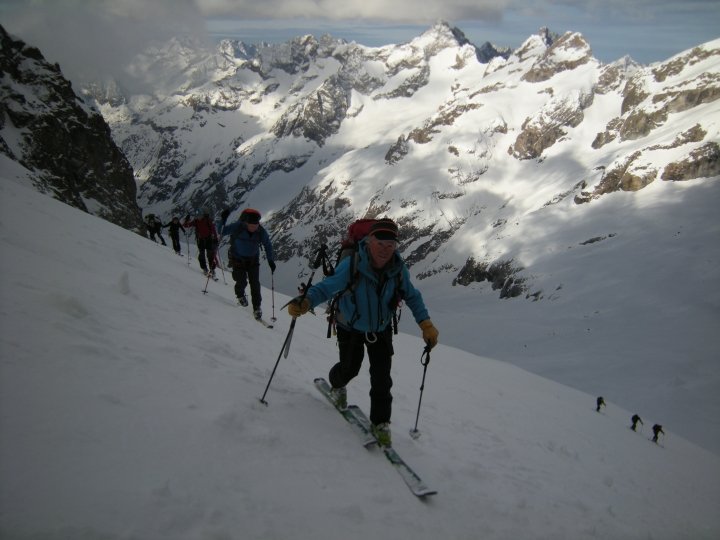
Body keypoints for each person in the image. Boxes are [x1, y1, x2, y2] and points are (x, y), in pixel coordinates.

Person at [287, 218, 439, 447]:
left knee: (382, 379)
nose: (385, 250)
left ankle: (381, 423)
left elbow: (412, 296)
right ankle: (337, 386)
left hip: (381, 328)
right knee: (350, 369)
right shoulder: (353, 264)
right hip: (350, 326)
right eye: (380, 244)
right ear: (369, 241)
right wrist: (307, 300)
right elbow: (328, 287)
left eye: (391, 246)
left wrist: (425, 323)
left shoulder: (398, 269)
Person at [218, 208, 275, 319]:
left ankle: (257, 307)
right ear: (246, 223)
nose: (254, 228)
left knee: (255, 284)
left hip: (253, 261)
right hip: (237, 259)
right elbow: (222, 231)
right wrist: (223, 219)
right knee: (241, 281)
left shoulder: (261, 231)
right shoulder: (238, 227)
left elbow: (268, 245)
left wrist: (270, 260)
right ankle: (240, 295)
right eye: (252, 225)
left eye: (256, 225)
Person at [183, 209, 218, 277]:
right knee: (202, 254)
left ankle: (212, 269)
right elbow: (186, 225)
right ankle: (205, 268)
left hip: (208, 239)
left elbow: (213, 229)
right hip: (201, 239)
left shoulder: (207, 220)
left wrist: (215, 238)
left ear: (202, 215)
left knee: (210, 255)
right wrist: (186, 220)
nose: (198, 217)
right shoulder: (196, 221)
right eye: (197, 216)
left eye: (199, 216)